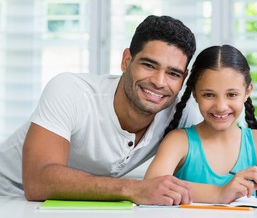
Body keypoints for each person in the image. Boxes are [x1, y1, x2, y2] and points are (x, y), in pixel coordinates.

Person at [0, 15, 202, 205]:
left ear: (183, 79)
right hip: (9, 195)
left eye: (173, 74)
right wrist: (135, 189)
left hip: (72, 204)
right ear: (126, 61)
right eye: (149, 65)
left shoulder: (181, 114)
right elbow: (37, 182)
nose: (159, 82)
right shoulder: (71, 91)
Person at [145, 44, 257, 205]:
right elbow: (152, 185)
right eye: (209, 95)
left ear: (247, 91)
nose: (221, 106)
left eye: (231, 94)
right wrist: (220, 193)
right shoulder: (179, 141)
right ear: (194, 93)